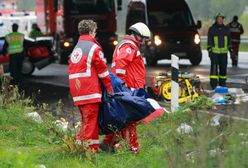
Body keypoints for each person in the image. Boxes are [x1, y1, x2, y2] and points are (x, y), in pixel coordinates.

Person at [100, 22, 151, 154]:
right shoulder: (129, 46)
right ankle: (133, 149)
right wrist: (123, 87)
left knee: (124, 120)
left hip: (129, 89)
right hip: (130, 89)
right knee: (130, 121)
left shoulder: (128, 45)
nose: (145, 42)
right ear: (138, 35)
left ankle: (107, 144)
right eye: (144, 39)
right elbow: (120, 67)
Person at [68, 20, 113, 152]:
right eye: (95, 32)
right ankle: (88, 151)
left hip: (77, 90)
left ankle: (86, 147)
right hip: (89, 90)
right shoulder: (93, 48)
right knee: (90, 122)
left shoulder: (77, 48)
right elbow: (103, 71)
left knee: (86, 121)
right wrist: (109, 88)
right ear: (91, 32)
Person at [207, 13, 232, 90]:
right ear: (216, 20)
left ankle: (222, 83)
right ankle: (213, 84)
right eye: (218, 19)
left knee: (223, 69)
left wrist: (231, 50)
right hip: (215, 53)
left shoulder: (226, 29)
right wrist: (210, 51)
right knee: (214, 69)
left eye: (221, 19)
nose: (220, 20)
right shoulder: (212, 29)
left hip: (224, 53)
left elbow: (229, 40)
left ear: (223, 20)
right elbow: (209, 41)